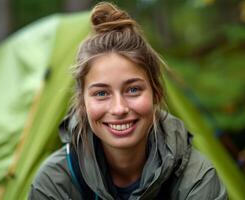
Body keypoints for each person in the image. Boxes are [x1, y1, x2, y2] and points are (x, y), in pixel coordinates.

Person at [29, 2, 227, 199]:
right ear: (82, 102)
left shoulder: (196, 178)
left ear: (156, 93)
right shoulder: (54, 182)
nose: (119, 108)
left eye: (133, 90)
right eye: (101, 93)